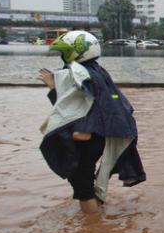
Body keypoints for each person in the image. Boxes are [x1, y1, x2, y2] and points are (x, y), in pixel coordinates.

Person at [38, 31, 145, 213]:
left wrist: (82, 130)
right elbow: (82, 104)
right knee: (86, 183)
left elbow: (87, 104)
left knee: (83, 190)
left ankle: (94, 229)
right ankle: (97, 219)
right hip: (98, 137)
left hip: (88, 140)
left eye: (65, 52)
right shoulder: (95, 71)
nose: (63, 56)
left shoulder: (83, 75)